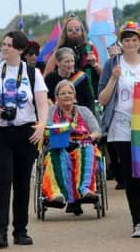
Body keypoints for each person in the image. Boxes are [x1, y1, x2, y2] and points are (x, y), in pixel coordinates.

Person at [0, 30, 49, 247]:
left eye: (9, 45)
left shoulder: (32, 73)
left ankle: (21, 230)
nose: (5, 48)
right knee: (2, 181)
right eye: (3, 44)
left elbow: (42, 103)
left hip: (25, 131)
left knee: (22, 181)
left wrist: (42, 125)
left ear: (20, 49)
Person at [98, 21, 140, 238]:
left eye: (134, 40)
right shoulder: (113, 64)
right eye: (126, 40)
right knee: (130, 175)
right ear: (121, 42)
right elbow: (103, 99)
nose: (130, 43)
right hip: (121, 126)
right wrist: (113, 78)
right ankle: (136, 221)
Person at [42, 80, 101, 216]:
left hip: (82, 144)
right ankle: (57, 194)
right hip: (59, 146)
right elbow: (45, 131)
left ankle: (84, 189)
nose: (67, 95)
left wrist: (90, 138)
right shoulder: (51, 112)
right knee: (57, 154)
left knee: (87, 150)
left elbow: (97, 131)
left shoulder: (83, 111)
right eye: (63, 93)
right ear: (56, 97)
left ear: (74, 95)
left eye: (70, 92)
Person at [43, 16, 102, 97]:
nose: (74, 32)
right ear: (65, 33)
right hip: (64, 96)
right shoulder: (58, 51)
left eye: (77, 29)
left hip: (87, 95)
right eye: (70, 30)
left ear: (82, 31)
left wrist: (95, 64)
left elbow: (102, 75)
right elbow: (47, 75)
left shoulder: (90, 49)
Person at [44, 47, 95, 111]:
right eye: (67, 62)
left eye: (72, 61)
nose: (70, 64)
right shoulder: (50, 78)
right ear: (58, 63)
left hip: (79, 114)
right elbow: (46, 99)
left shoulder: (81, 77)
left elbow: (89, 101)